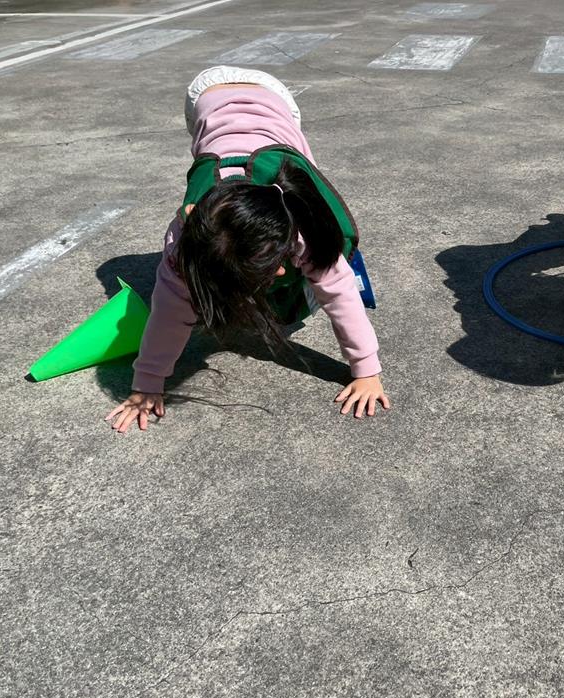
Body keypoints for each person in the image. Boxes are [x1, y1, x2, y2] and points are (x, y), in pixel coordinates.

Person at [106, 67, 389, 432]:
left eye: (276, 265)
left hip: (275, 100)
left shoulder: (305, 224)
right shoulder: (182, 241)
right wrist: (147, 384)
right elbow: (168, 313)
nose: (282, 273)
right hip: (206, 99)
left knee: (299, 175)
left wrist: (366, 371)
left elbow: (340, 293)